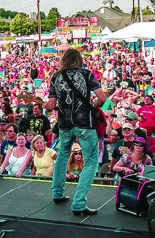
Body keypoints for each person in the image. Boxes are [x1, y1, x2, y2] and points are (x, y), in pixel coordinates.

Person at [45, 48, 107, 216]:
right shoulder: (87, 74)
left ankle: (57, 193)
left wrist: (44, 104)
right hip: (84, 124)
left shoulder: (56, 77)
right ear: (78, 60)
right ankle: (79, 203)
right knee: (91, 161)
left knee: (63, 156)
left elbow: (51, 105)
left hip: (64, 124)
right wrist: (97, 105)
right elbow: (102, 98)